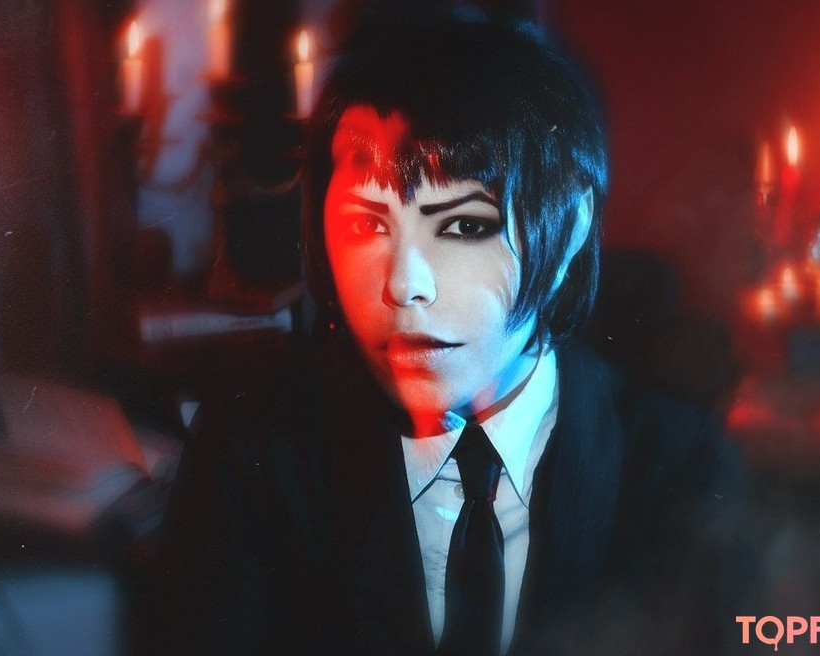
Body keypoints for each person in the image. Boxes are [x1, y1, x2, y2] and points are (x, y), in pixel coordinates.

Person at [152, 5, 751, 655]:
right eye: (367, 224)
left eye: (464, 225)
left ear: (573, 226)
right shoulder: (252, 456)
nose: (403, 283)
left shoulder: (680, 469)